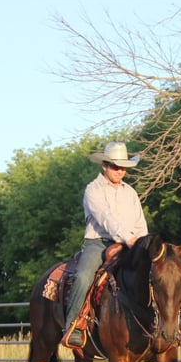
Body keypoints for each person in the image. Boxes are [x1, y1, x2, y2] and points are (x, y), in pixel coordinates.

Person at [62, 141, 148, 349]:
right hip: (98, 243)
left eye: (123, 167)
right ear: (105, 165)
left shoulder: (131, 193)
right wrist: (128, 239)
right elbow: (105, 218)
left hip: (131, 243)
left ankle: (154, 323)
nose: (120, 171)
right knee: (83, 277)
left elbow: (140, 223)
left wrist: (144, 245)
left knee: (154, 274)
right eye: (115, 166)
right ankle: (73, 325)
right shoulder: (93, 190)